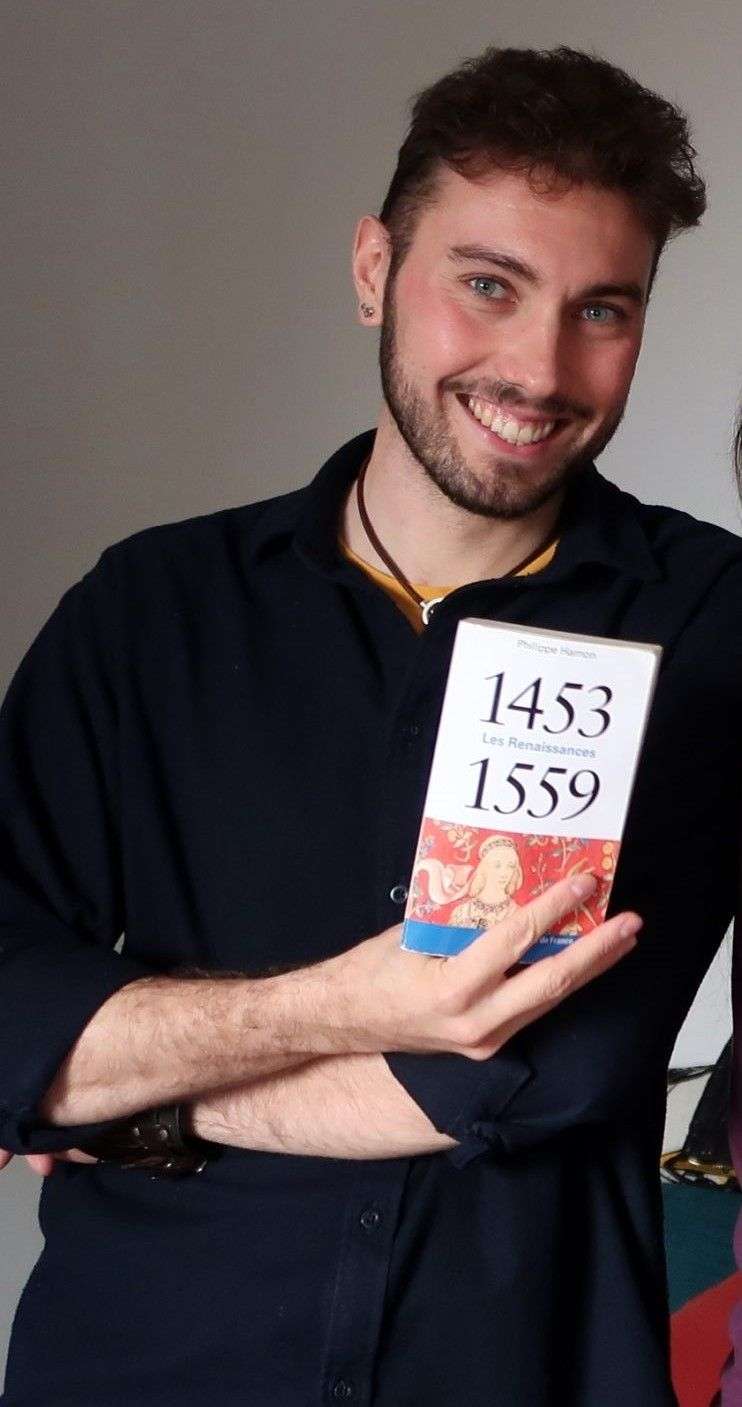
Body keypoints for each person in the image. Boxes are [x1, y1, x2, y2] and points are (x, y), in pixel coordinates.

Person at [1, 43, 741, 1407]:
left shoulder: (709, 626)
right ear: (372, 270)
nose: (537, 368)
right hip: (136, 1369)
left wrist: (125, 1091)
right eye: (487, 285)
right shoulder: (147, 609)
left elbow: (539, 1071)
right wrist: (345, 1007)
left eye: (601, 309)